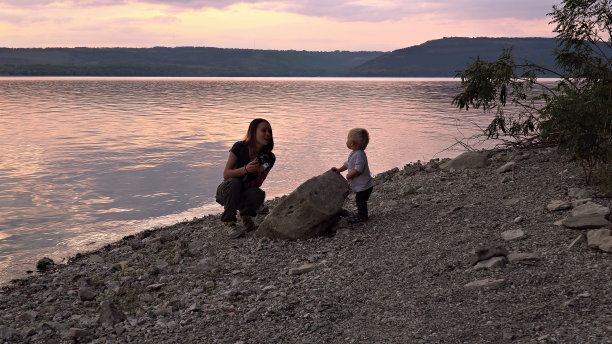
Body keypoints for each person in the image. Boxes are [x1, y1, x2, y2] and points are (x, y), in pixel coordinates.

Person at [216, 118, 276, 237]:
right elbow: (226, 174)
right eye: (263, 130)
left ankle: (245, 216)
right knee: (235, 182)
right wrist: (246, 169)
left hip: (244, 192)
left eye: (270, 131)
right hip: (227, 192)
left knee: (258, 194)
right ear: (253, 132)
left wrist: (259, 172)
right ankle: (229, 222)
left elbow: (258, 184)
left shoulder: (268, 158)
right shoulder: (239, 147)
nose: (267, 134)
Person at [331, 128, 374, 224]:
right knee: (360, 200)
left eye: (347, 139)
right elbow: (348, 164)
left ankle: (363, 216)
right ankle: (361, 214)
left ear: (352, 143)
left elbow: (359, 169)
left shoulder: (359, 155)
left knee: (360, 201)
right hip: (362, 185)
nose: (346, 141)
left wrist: (350, 175)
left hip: (364, 186)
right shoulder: (354, 153)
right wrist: (339, 170)